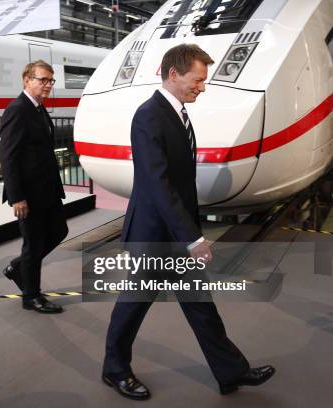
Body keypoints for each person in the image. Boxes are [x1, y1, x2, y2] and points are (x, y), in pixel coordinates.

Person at [101, 44, 275, 400]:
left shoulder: (177, 114)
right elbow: (157, 182)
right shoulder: (149, 115)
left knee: (201, 306)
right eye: (198, 80)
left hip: (174, 235)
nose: (203, 87)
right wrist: (193, 237)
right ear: (174, 74)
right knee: (133, 305)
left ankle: (231, 373)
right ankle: (114, 369)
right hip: (153, 235)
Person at [0, 60, 68, 314]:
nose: (48, 85)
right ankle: (31, 296)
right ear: (26, 80)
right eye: (43, 80)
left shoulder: (38, 109)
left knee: (59, 231)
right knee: (33, 243)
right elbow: (8, 157)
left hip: (47, 189)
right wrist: (17, 197)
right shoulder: (17, 109)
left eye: (51, 81)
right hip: (28, 194)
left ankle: (18, 268)